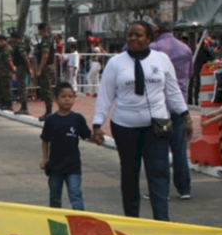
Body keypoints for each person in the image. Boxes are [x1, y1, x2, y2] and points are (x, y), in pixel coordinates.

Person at [92, 21, 191, 222]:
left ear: (149, 38)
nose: (133, 39)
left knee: (158, 174)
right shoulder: (116, 63)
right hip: (124, 127)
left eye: (138, 35)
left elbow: (173, 91)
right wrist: (97, 124)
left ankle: (161, 221)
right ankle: (132, 221)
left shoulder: (162, 60)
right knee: (129, 174)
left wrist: (185, 115)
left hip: (157, 126)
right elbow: (105, 95)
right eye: (130, 35)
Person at [150, 15, 195, 200]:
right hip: (180, 106)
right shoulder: (185, 48)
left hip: (160, 106)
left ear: (156, 28)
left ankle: (162, 190)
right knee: (179, 149)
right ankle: (184, 188)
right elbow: (190, 73)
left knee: (159, 150)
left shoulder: (153, 49)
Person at [40, 82, 91, 210]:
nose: (67, 99)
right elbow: (45, 140)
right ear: (56, 100)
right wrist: (45, 159)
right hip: (55, 168)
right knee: (55, 198)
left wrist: (98, 138)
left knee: (75, 195)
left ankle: (79, 222)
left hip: (73, 167)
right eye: (63, 96)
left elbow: (88, 135)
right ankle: (56, 225)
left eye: (70, 96)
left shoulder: (77, 119)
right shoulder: (51, 120)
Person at [33, 23, 57, 121]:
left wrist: (40, 69)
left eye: (39, 30)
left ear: (43, 30)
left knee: (47, 89)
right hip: (49, 66)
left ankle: (49, 111)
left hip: (46, 67)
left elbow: (45, 55)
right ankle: (48, 111)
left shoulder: (46, 40)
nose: (38, 32)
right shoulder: (49, 39)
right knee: (46, 88)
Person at [10, 31, 34, 115]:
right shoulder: (18, 45)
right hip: (20, 66)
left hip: (22, 67)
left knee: (21, 87)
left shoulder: (20, 45)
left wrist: (29, 68)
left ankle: (24, 107)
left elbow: (24, 57)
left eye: (12, 38)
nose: (11, 39)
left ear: (15, 38)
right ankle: (23, 106)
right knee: (21, 87)